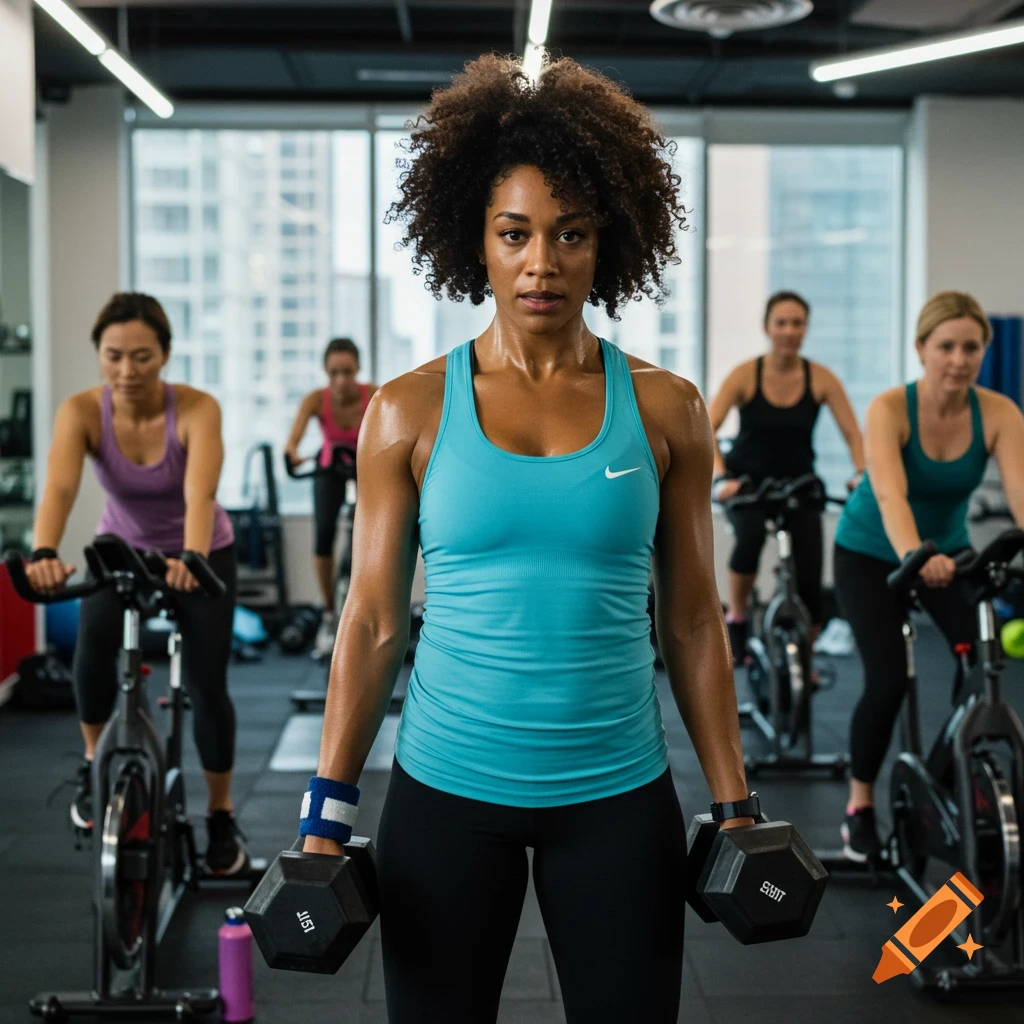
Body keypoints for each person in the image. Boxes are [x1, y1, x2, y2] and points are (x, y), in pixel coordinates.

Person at [297, 54, 759, 1024]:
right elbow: (374, 620)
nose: (541, 263)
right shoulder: (407, 410)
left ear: (607, 244)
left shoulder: (668, 409)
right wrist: (324, 815)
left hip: (617, 794)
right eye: (515, 234)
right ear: (478, 240)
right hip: (446, 793)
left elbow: (689, 618)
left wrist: (735, 802)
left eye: (570, 234)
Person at [28, 292, 248, 875]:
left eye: (142, 357)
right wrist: (44, 551)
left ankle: (221, 816)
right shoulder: (80, 412)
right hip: (121, 549)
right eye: (114, 356)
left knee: (207, 683)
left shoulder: (198, 409)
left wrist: (192, 558)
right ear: (100, 356)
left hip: (201, 552)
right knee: (94, 644)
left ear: (166, 355)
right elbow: (60, 489)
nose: (127, 371)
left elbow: (198, 494)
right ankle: (94, 760)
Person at [833, 290, 1024, 862]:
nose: (959, 359)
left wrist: (941, 557)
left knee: (982, 666)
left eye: (971, 347)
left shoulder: (999, 413)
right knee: (888, 678)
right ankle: (860, 802)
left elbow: (1021, 494)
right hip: (870, 552)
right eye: (946, 346)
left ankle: (939, 779)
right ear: (922, 348)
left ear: (984, 351)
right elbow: (890, 493)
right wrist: (916, 554)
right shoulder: (890, 408)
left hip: (952, 554)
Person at [707, 291, 865, 659]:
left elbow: (853, 434)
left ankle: (805, 659)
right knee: (748, 540)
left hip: (799, 484)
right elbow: (706, 427)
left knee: (811, 572)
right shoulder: (747, 374)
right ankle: (739, 617)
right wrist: (720, 477)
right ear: (767, 327)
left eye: (797, 323)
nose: (789, 330)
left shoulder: (820, 378)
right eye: (782, 322)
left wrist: (861, 472)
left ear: (805, 329)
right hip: (747, 483)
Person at [284, 338, 377, 657]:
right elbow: (292, 441)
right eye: (334, 372)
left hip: (366, 471)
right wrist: (293, 452)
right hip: (328, 472)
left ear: (358, 370)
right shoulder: (315, 400)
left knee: (374, 537)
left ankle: (369, 608)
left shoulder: (374, 395)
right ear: (326, 371)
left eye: (347, 372)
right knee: (324, 536)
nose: (341, 380)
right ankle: (327, 610)